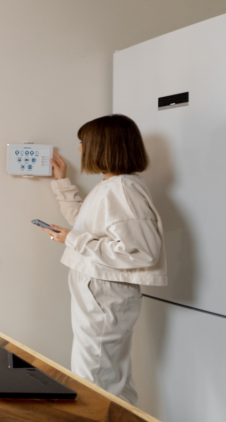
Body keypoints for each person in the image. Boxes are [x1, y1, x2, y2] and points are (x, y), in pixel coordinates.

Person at [40, 114, 166, 405]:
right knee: (107, 375)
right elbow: (86, 223)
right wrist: (62, 183)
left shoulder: (122, 190)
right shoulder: (113, 186)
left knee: (94, 379)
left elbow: (142, 251)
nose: (80, 149)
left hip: (103, 293)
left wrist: (73, 239)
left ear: (103, 146)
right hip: (100, 290)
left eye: (84, 143)